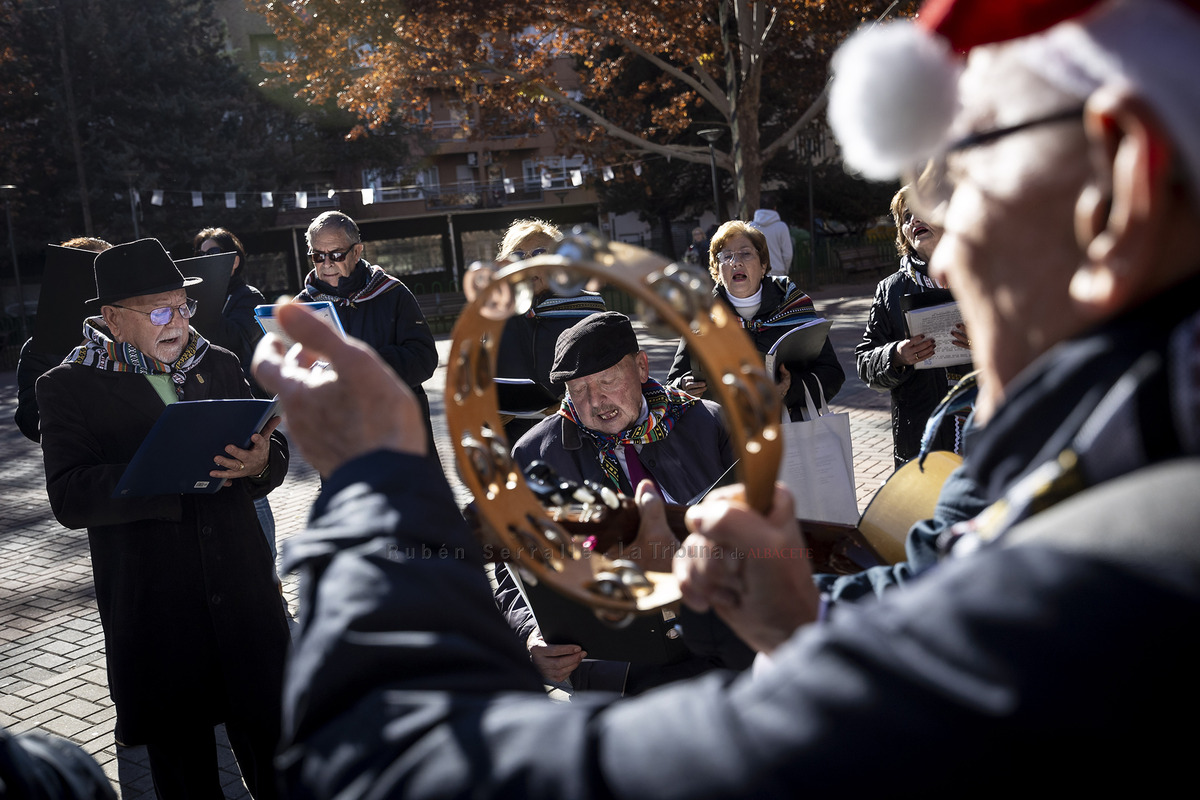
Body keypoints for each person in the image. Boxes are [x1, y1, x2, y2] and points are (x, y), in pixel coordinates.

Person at [258, 0, 1200, 792]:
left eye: (960, 173)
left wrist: (373, 482)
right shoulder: (1061, 459)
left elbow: (392, 761)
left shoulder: (1115, 590)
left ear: (1119, 191)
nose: (944, 247)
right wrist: (801, 620)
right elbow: (935, 586)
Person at [36, 238, 289, 799]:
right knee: (186, 779)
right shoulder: (67, 386)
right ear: (112, 320)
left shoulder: (217, 363)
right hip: (159, 614)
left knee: (285, 769)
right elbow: (68, 496)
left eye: (182, 306)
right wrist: (156, 472)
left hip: (244, 603)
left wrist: (263, 462)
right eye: (158, 311)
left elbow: (269, 446)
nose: (176, 322)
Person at [501, 311, 747, 693]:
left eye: (607, 381)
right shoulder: (534, 454)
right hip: (616, 665)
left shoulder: (706, 421)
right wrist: (529, 634)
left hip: (721, 630)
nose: (597, 401)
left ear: (641, 366)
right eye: (577, 390)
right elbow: (510, 566)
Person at [667, 220, 844, 421]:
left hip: (790, 437)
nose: (736, 262)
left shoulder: (795, 307)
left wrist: (791, 388)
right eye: (727, 256)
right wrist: (684, 386)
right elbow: (672, 384)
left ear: (763, 265)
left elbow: (833, 375)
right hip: (727, 441)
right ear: (717, 270)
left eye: (745, 253)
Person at [295, 210, 439, 454]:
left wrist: (365, 366)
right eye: (318, 256)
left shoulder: (392, 293)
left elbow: (424, 357)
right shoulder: (303, 307)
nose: (327, 263)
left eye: (336, 254)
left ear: (357, 251)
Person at [855, 187, 972, 469]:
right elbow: (864, 362)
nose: (914, 221)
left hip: (982, 429)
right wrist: (896, 355)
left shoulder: (983, 273)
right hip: (919, 434)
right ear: (903, 233)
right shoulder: (890, 289)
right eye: (907, 217)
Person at [193, 226, 278, 558]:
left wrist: (204, 306)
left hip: (244, 403)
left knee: (249, 489)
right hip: (205, 405)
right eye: (200, 256)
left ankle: (271, 586)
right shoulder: (195, 299)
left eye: (214, 255)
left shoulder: (249, 298)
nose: (205, 262)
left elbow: (237, 341)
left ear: (234, 262)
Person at [492, 218, 606, 442]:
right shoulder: (496, 313)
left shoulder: (588, 307)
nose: (528, 263)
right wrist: (488, 410)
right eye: (518, 256)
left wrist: (567, 404)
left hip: (577, 432)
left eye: (539, 253)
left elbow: (610, 370)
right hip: (511, 436)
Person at [14, 236, 111, 443]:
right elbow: (30, 423)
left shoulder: (135, 337)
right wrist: (77, 362)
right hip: (85, 464)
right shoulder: (39, 348)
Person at [748, 191, 793, 277]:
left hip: (757, 273)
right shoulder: (781, 227)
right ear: (774, 208)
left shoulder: (751, 227)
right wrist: (785, 269)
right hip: (778, 272)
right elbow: (788, 254)